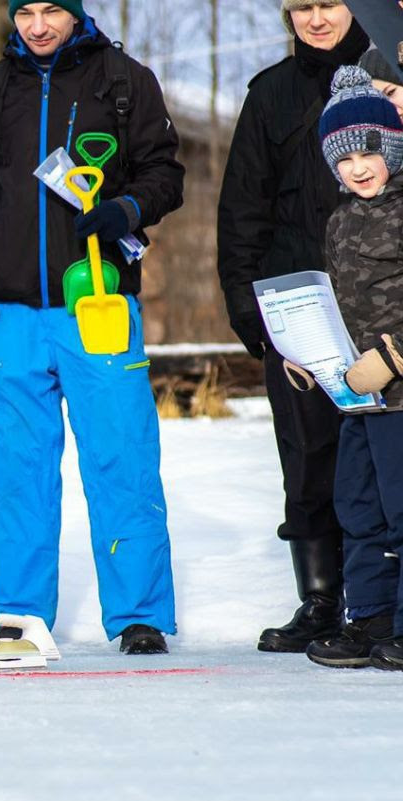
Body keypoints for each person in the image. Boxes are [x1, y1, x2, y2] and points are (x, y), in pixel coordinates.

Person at [0, 0, 183, 654]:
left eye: (54, 10)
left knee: (121, 459)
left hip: (97, 302)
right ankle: (19, 614)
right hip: (8, 312)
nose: (39, 26)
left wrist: (124, 210)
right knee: (17, 470)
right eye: (27, 12)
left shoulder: (123, 81)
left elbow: (167, 173)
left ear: (77, 14)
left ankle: (138, 613)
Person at [217, 0, 369, 654]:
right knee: (308, 459)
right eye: (300, 7)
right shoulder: (270, 94)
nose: (314, 18)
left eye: (327, 4)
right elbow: (242, 212)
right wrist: (255, 321)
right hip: (296, 311)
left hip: (380, 303)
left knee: (383, 460)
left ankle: (379, 604)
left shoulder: (389, 75)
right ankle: (319, 601)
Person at [290, 67, 403, 669]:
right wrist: (311, 354)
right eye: (343, 159)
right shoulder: (339, 220)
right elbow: (334, 303)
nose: (357, 167)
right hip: (357, 396)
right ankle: (372, 619)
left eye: (368, 152)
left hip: (399, 393)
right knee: (360, 510)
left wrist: (391, 358)